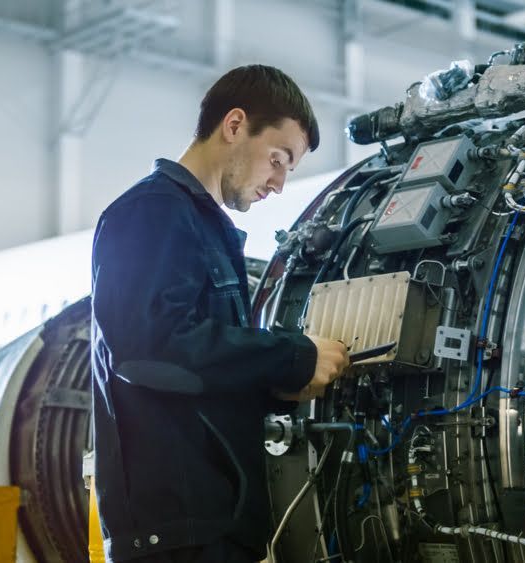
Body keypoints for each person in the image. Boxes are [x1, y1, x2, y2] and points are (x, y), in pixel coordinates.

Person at [90, 65, 350, 562]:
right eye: (278, 159)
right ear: (234, 125)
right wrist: (291, 357)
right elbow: (150, 348)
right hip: (178, 533)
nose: (277, 183)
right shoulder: (152, 211)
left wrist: (275, 386)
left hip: (213, 526)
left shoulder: (205, 228)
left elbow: (201, 369)